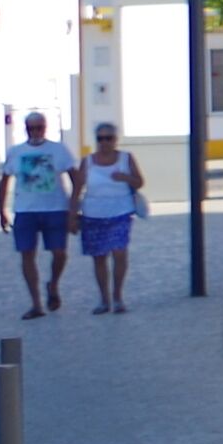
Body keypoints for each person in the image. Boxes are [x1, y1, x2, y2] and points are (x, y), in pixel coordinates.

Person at [0, 110, 80, 316]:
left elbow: (76, 179)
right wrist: (1, 210)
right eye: (31, 128)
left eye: (39, 127)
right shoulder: (16, 151)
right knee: (27, 255)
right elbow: (5, 180)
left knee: (59, 253)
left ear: (45, 127)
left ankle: (53, 284)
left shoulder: (59, 150)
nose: (35, 132)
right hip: (25, 211)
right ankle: (36, 303)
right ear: (25, 129)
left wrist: (73, 209)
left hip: (55, 209)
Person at [76, 121, 149, 312]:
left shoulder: (126, 158)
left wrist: (125, 178)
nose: (104, 142)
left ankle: (117, 296)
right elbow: (77, 189)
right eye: (100, 138)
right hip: (93, 214)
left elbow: (140, 182)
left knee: (119, 252)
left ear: (115, 140)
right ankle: (104, 299)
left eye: (108, 138)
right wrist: (72, 214)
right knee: (99, 257)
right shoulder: (88, 161)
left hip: (120, 212)